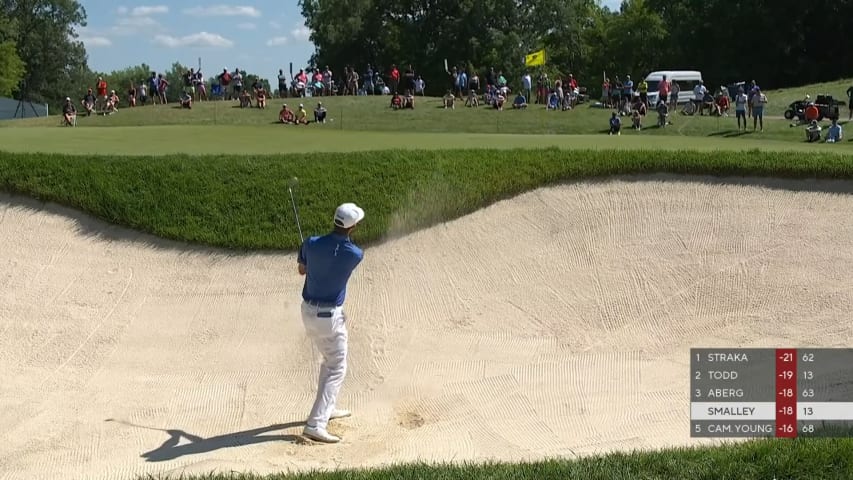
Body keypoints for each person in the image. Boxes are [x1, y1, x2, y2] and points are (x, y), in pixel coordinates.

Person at [298, 202, 366, 443]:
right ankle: (316, 424)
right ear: (352, 227)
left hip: (308, 313)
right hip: (329, 319)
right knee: (337, 367)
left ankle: (327, 408)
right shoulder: (355, 255)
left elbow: (301, 270)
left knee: (330, 362)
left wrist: (307, 251)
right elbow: (337, 256)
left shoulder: (311, 242)